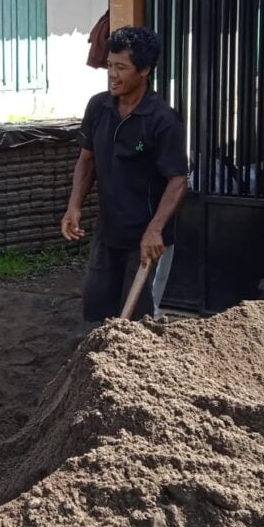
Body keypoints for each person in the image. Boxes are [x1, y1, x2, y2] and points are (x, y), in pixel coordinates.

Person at [61, 26, 188, 321]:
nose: (112, 75)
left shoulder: (162, 120)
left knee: (138, 322)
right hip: (108, 232)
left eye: (121, 67)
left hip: (147, 240)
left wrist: (155, 229)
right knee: (96, 311)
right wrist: (74, 206)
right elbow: (86, 160)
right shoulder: (98, 107)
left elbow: (178, 180)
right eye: (109, 66)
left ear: (144, 70)